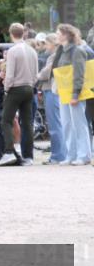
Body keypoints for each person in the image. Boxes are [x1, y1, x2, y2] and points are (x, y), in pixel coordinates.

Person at [0, 23, 39, 166]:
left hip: (15, 88)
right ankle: (28, 156)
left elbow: (10, 73)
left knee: (6, 120)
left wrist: (7, 89)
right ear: (23, 33)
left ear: (11, 34)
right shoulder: (32, 50)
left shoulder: (13, 51)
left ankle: (9, 152)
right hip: (29, 87)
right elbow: (35, 73)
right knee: (27, 123)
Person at [50, 23, 92, 166]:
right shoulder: (61, 50)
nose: (56, 35)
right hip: (64, 92)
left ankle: (84, 155)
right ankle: (71, 154)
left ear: (66, 35)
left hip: (74, 93)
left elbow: (79, 74)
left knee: (79, 123)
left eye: (58, 32)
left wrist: (75, 94)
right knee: (67, 124)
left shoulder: (77, 51)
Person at [36, 33, 67, 165]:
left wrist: (36, 75)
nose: (46, 46)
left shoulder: (55, 56)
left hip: (51, 90)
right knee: (57, 123)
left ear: (53, 44)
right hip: (53, 90)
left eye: (47, 43)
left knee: (55, 124)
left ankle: (58, 155)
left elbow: (46, 72)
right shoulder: (57, 55)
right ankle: (60, 154)